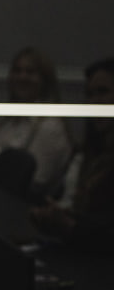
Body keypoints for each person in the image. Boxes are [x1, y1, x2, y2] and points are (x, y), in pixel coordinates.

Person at [0, 46, 73, 200]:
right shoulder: (10, 122)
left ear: (45, 80)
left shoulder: (50, 126)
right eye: (17, 70)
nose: (22, 76)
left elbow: (33, 185)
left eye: (30, 72)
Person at [30, 56, 114, 251]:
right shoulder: (90, 154)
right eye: (90, 94)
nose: (95, 102)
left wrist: (70, 226)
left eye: (103, 92)